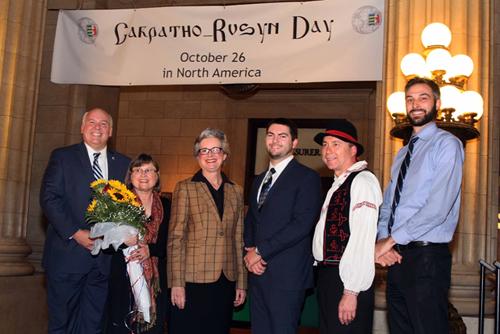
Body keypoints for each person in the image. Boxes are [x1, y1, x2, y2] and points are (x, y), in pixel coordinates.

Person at [375, 77, 464, 334]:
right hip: (397, 258)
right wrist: (384, 242)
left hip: (427, 258)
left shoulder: (447, 144)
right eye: (410, 99)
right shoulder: (403, 153)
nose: (416, 104)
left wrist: (389, 241)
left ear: (437, 103)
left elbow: (438, 208)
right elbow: (389, 205)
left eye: (423, 98)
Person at [40, 108, 131, 334]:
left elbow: (128, 207)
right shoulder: (62, 156)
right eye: (92, 122)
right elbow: (49, 197)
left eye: (103, 124)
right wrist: (75, 233)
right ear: (82, 128)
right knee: (63, 325)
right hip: (67, 256)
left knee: (93, 326)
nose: (97, 128)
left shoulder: (124, 164)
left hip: (104, 263)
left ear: (110, 131)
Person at [244, 118, 322, 334]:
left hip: (287, 277)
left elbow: (301, 226)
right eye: (270, 135)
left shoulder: (307, 177)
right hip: (258, 274)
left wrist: (260, 252)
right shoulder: (259, 180)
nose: (275, 140)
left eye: (282, 136)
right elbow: (252, 219)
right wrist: (250, 251)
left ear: (294, 143)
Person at [167, 128, 247, 334]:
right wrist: (177, 283)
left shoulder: (236, 191)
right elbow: (175, 238)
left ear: (225, 155)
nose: (210, 155)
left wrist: (242, 282)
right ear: (197, 156)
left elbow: (239, 239)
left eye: (216, 149)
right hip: (192, 280)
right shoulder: (185, 188)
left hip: (226, 281)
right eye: (204, 151)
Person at [311, 119, 382, 334]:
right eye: (325, 144)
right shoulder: (339, 183)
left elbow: (362, 238)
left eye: (335, 144)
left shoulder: (362, 181)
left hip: (346, 279)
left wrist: (351, 291)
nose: (328, 150)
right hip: (329, 277)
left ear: (352, 150)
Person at [106, 153, 171, 334]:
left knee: (153, 329)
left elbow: (172, 242)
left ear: (157, 176)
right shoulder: (118, 203)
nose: (144, 174)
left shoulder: (167, 205)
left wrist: (150, 249)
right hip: (123, 280)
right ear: (130, 175)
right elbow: (105, 243)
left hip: (157, 281)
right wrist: (122, 242)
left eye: (149, 170)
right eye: (138, 170)